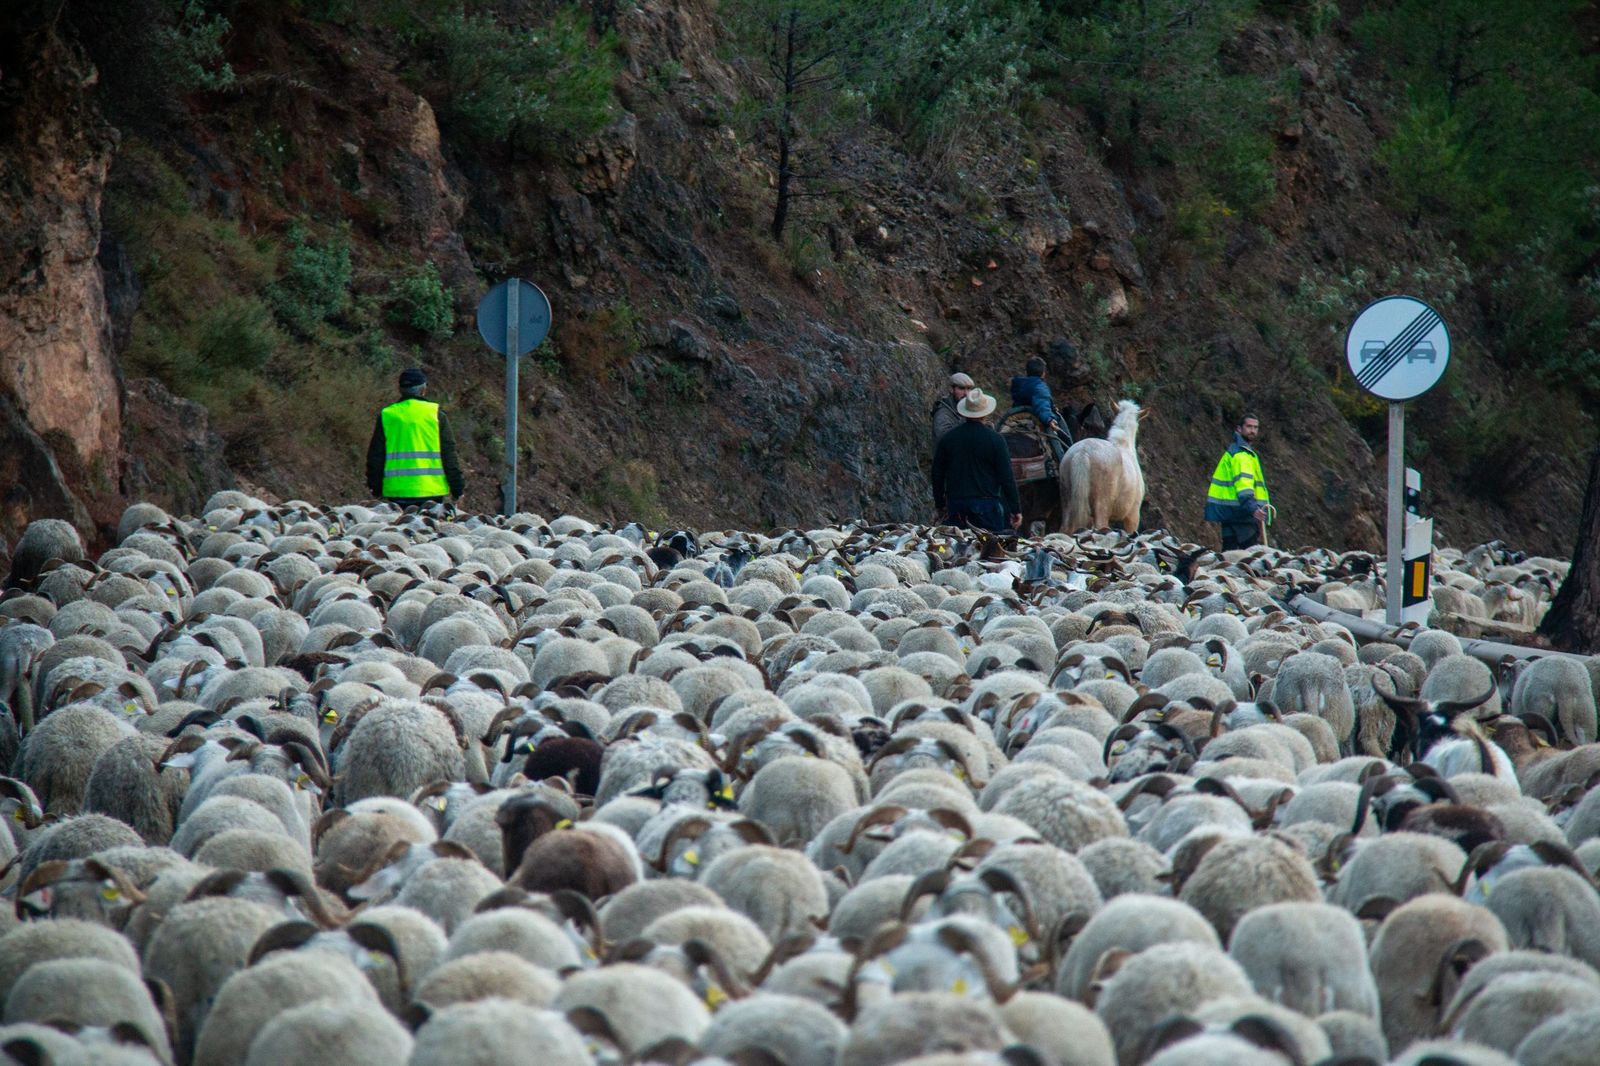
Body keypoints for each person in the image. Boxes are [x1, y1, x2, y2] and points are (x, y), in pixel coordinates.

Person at [366, 367, 465, 506]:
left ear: (400, 389)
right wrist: (457, 489)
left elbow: (376, 456)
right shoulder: (435, 414)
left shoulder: (387, 415)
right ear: (423, 389)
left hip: (397, 493)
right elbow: (449, 454)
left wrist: (375, 488)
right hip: (431, 492)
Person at [931, 387, 1022, 532]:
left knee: (957, 548)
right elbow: (1006, 477)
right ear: (986, 413)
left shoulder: (949, 438)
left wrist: (940, 505)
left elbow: (937, 474)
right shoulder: (996, 440)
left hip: (957, 506)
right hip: (987, 507)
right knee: (987, 549)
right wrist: (1015, 509)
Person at [1205, 413, 1272, 550]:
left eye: (1255, 427)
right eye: (1249, 427)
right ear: (1239, 429)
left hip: (1231, 515)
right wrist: (1254, 508)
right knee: (1249, 559)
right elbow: (1244, 487)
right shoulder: (1242, 455)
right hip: (1243, 516)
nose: (1252, 430)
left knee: (1229, 556)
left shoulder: (1235, 452)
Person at [1010, 356, 1071, 461]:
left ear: (1027, 371)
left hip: (1017, 417)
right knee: (1058, 437)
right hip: (1037, 417)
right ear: (1043, 373)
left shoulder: (1019, 385)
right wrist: (1049, 419)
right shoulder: (1040, 386)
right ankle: (1064, 458)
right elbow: (1041, 404)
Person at [931, 372, 975, 450]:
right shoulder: (943, 414)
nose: (966, 393)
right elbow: (944, 440)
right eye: (961, 388)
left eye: (968, 389)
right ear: (951, 389)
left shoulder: (964, 409)